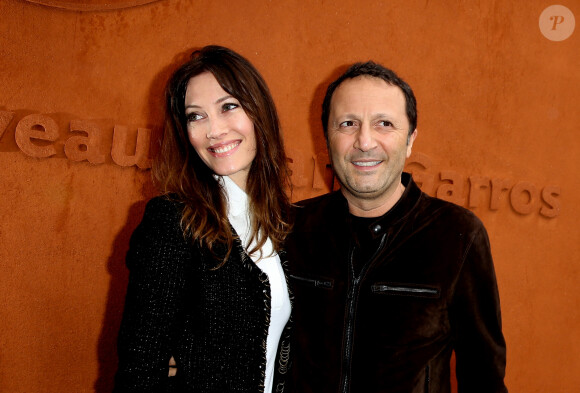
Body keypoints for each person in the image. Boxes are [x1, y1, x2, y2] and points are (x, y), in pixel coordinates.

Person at [286, 61, 507, 392]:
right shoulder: (290, 226)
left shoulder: (457, 235)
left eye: (384, 124)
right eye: (347, 124)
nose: (364, 141)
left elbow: (483, 379)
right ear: (327, 138)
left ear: (410, 140)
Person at [113, 45, 293, 393]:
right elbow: (140, 365)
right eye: (195, 115)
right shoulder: (172, 219)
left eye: (228, 107)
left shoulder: (282, 221)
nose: (213, 130)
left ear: (259, 113)